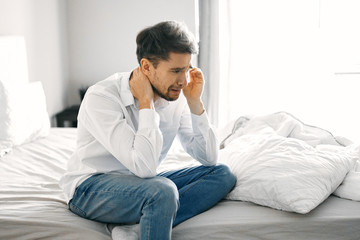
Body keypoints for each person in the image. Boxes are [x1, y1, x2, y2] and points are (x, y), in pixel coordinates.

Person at [59, 20, 236, 240]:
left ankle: (138, 227)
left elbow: (208, 158)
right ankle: (154, 211)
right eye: (175, 71)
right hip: (90, 189)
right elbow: (144, 167)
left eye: (187, 69)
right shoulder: (102, 97)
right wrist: (145, 102)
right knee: (162, 192)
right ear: (146, 67)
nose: (183, 80)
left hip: (142, 185)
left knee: (221, 174)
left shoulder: (177, 95)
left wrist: (195, 103)